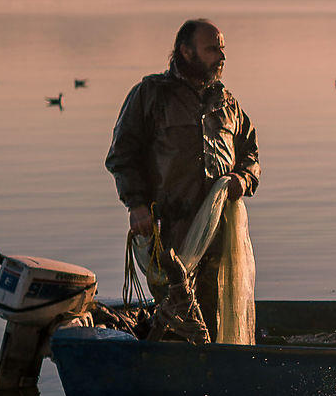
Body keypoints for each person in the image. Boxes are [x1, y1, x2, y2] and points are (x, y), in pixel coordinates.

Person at [106, 19, 261, 343]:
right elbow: (123, 154)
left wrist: (242, 179)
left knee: (214, 311)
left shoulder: (227, 102)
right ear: (185, 51)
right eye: (211, 48)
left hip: (220, 234)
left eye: (222, 49)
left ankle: (211, 379)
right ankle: (170, 376)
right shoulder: (150, 94)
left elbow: (251, 155)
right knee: (175, 312)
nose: (221, 56)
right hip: (167, 228)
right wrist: (135, 204)